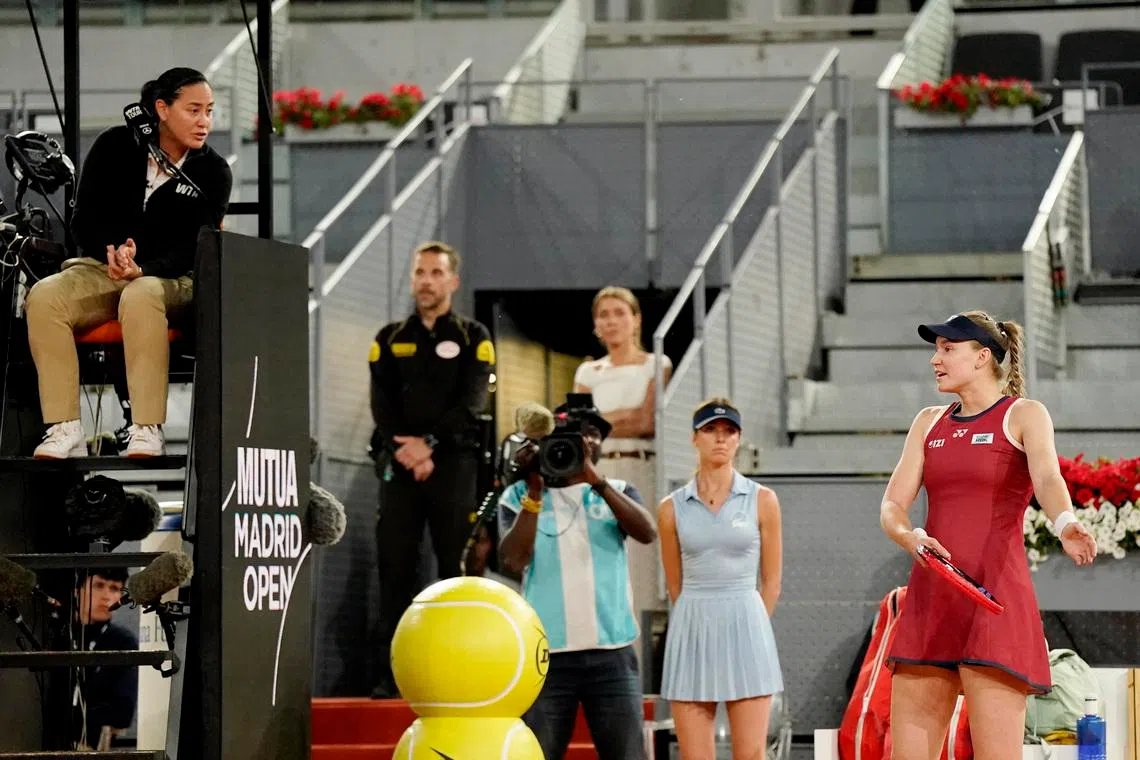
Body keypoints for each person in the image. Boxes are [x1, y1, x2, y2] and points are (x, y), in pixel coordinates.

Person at [880, 310, 1097, 760]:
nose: (935, 360)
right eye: (935, 350)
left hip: (995, 602)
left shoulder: (1025, 414)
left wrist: (1065, 523)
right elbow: (892, 506)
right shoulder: (928, 422)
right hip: (932, 601)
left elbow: (1049, 479)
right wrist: (911, 537)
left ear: (982, 357)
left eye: (947, 349)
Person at [26, 67, 232, 459]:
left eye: (210, 111)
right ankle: (64, 427)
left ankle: (146, 427)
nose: (205, 121)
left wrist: (144, 268)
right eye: (194, 110)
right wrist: (113, 253)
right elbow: (84, 219)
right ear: (162, 108)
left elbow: (196, 245)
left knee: (140, 293)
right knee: (44, 295)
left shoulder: (214, 171)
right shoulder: (114, 146)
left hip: (172, 278)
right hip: (105, 267)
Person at [498, 394, 657, 760]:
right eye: (571, 436)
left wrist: (594, 480)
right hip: (547, 657)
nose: (585, 442)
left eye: (592, 435)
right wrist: (535, 491)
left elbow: (647, 533)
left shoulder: (617, 491)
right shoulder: (520, 495)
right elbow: (513, 560)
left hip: (613, 654)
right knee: (538, 754)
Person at [368, 240, 495, 699]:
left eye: (436, 273)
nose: (426, 280)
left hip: (455, 466)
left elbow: (473, 404)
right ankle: (393, 675)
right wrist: (408, 451)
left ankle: (466, 670)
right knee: (395, 569)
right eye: (420, 272)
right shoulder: (388, 338)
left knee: (456, 568)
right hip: (400, 466)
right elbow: (381, 406)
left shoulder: (473, 337)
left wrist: (429, 445)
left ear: (453, 281)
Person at [658, 397, 784, 760]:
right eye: (710, 430)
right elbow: (674, 583)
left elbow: (772, 581)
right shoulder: (670, 508)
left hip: (747, 626)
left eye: (729, 431)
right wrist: (700, 615)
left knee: (752, 754)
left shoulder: (763, 500)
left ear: (739, 439)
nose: (720, 438)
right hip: (692, 627)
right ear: (694, 438)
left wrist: (750, 624)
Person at [573, 286, 672, 626]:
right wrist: (617, 419)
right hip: (597, 469)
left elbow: (646, 421)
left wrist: (602, 419)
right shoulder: (587, 373)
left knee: (640, 565)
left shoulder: (656, 364)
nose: (611, 321)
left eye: (619, 313)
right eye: (603, 315)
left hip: (640, 466)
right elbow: (581, 425)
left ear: (636, 320)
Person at [71, 568, 139, 751]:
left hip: (88, 746)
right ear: (77, 591)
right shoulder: (57, 634)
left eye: (115, 588)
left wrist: (70, 717)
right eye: (99, 585)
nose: (106, 596)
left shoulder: (122, 641)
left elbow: (122, 712)